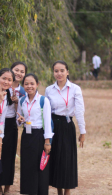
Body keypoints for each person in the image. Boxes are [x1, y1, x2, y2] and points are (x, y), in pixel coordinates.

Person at [45, 61, 86, 195]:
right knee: (56, 157)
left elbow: (79, 111)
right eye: (56, 71)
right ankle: (59, 191)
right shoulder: (49, 89)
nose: (59, 73)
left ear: (67, 72)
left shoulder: (75, 89)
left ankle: (67, 191)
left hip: (67, 125)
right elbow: (45, 111)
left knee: (67, 159)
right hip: (53, 126)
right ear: (53, 72)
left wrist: (82, 131)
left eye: (62, 70)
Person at [0, 62, 27, 195]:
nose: (19, 73)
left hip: (11, 124)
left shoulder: (24, 90)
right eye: (16, 70)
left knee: (9, 156)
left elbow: (26, 111)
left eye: (22, 71)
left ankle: (7, 187)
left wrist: (17, 102)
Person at [17, 73, 53, 195]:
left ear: (37, 84)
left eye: (32, 83)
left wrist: (47, 142)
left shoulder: (43, 101)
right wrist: (19, 121)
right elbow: (18, 120)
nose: (29, 86)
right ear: (23, 85)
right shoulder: (22, 100)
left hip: (39, 135)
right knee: (27, 166)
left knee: (40, 166)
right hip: (26, 136)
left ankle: (41, 192)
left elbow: (47, 122)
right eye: (26, 84)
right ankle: (29, 191)